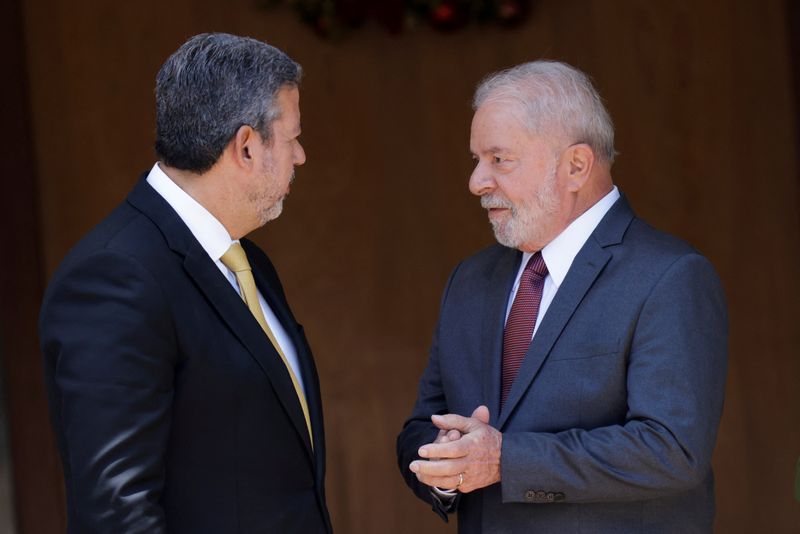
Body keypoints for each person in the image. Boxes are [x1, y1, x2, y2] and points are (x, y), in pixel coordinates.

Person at [397, 60, 728, 533]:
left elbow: (672, 450)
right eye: (476, 160)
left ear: (575, 166)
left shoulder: (671, 276)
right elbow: (419, 427)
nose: (477, 181)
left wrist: (505, 460)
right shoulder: (470, 280)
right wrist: (448, 463)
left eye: (499, 159)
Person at [39, 33, 332, 533]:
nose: (300, 156)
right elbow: (116, 513)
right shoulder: (117, 277)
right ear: (245, 146)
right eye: (292, 137)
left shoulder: (247, 261)